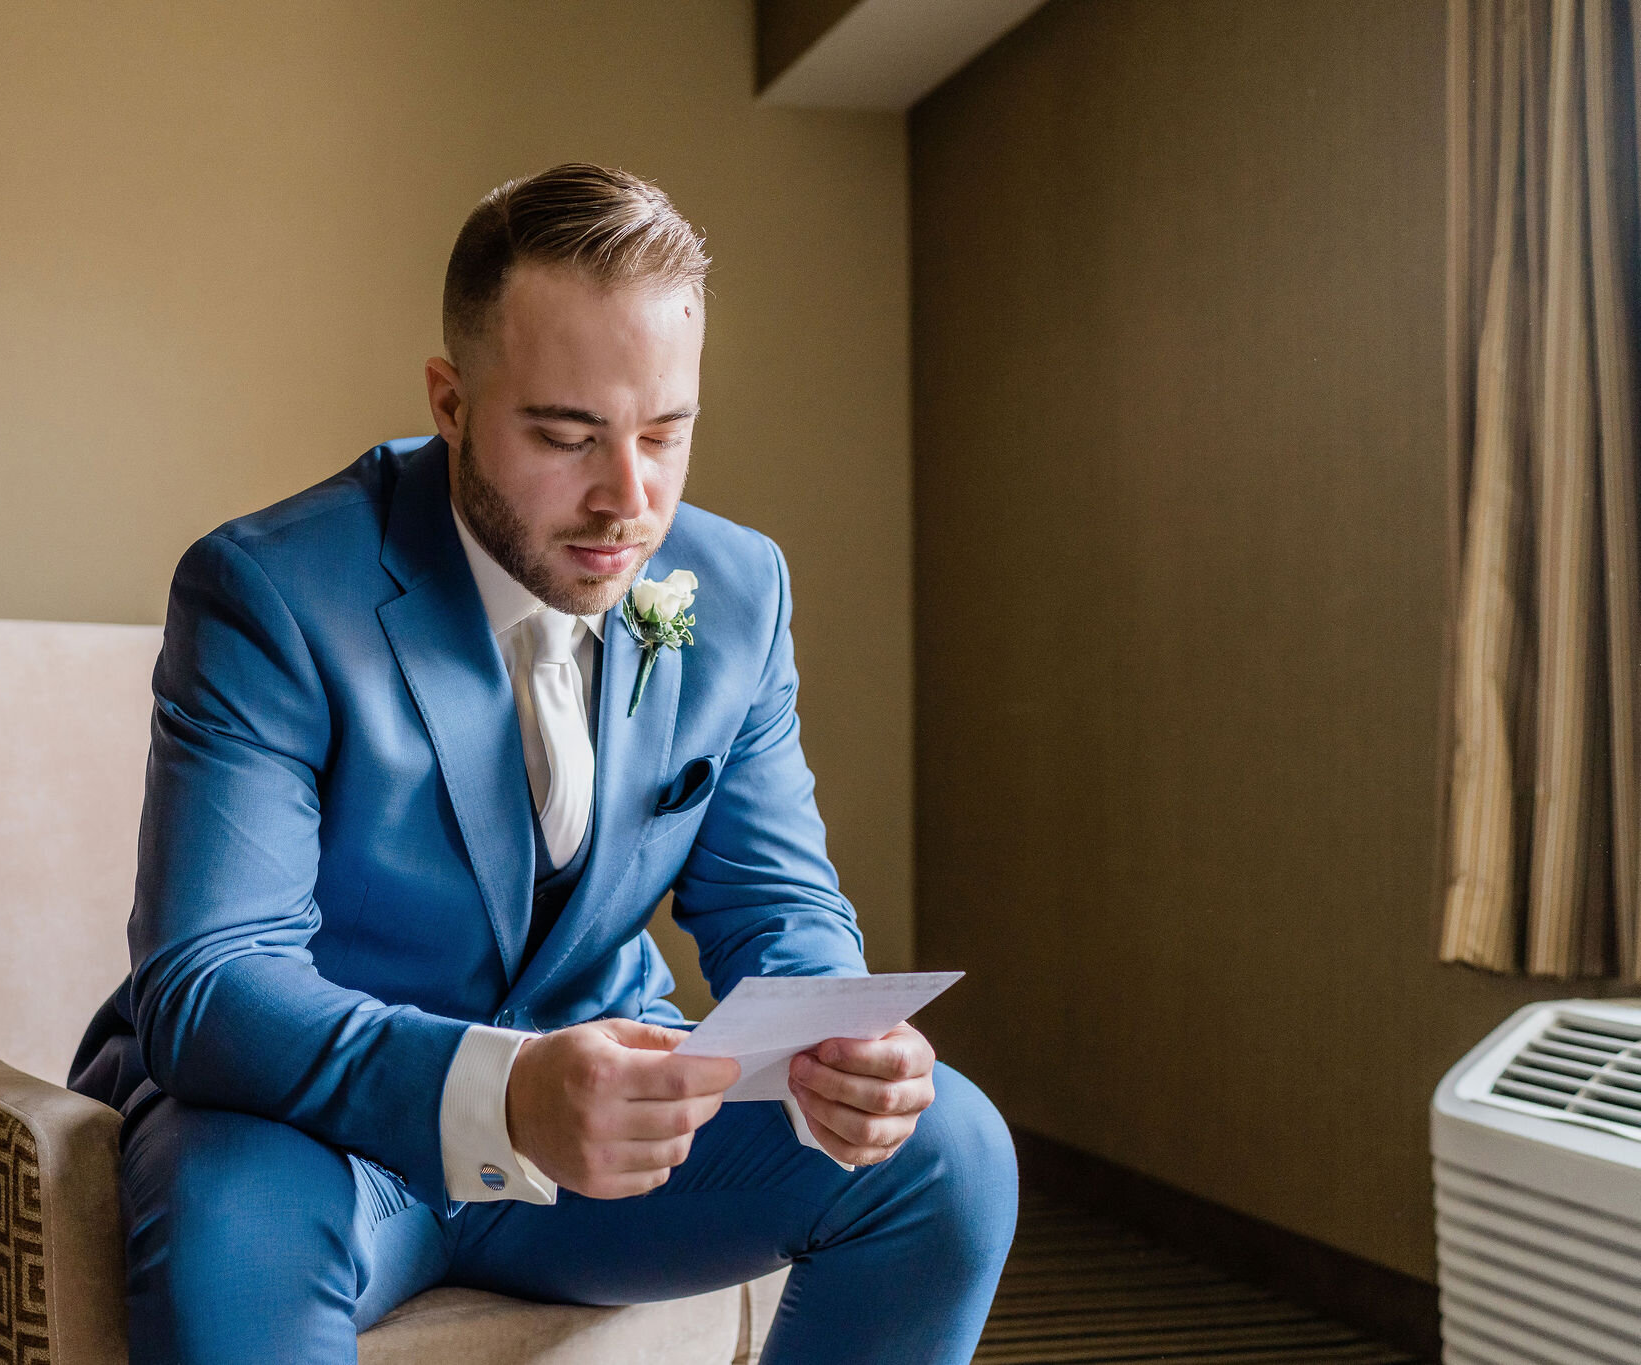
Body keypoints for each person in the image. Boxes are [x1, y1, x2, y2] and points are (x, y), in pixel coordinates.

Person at [68, 161, 1018, 1364]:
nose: (628, 499)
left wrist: (836, 1045)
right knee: (228, 1235)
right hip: (311, 1132)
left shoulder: (733, 590)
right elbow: (208, 982)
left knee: (952, 1155)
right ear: (450, 401)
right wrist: (505, 1090)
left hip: (611, 1135)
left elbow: (772, 903)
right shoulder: (267, 590)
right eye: (567, 437)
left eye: (665, 434)